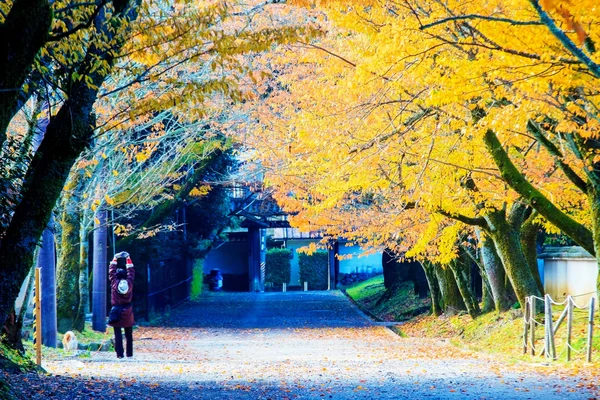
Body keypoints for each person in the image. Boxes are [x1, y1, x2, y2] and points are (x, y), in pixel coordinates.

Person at [108, 251, 135, 359]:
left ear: (117, 276)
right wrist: (128, 257)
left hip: (116, 310)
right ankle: (130, 354)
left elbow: (111, 272)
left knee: (117, 334)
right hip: (128, 310)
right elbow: (131, 271)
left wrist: (115, 258)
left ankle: (120, 355)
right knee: (129, 334)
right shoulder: (129, 282)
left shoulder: (114, 282)